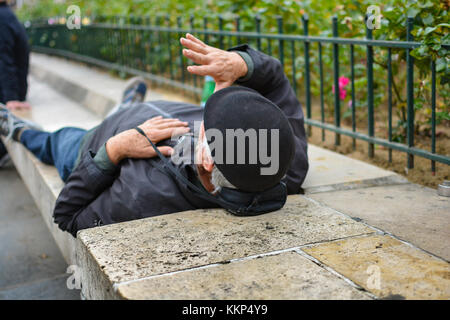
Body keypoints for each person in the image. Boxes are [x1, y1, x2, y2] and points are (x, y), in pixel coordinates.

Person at [0, 34, 309, 237]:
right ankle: (128, 104)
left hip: (95, 143)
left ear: (208, 160)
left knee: (58, 140)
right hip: (147, 114)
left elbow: (67, 215)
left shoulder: (143, 197)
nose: (210, 107)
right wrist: (243, 64)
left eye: (210, 120)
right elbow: (277, 82)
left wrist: (113, 151)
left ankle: (19, 130)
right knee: (122, 113)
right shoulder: (282, 164)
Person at [0, 0, 31, 167]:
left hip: (10, 94)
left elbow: (5, 59)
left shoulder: (3, 17)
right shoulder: (5, 15)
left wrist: (11, 97)